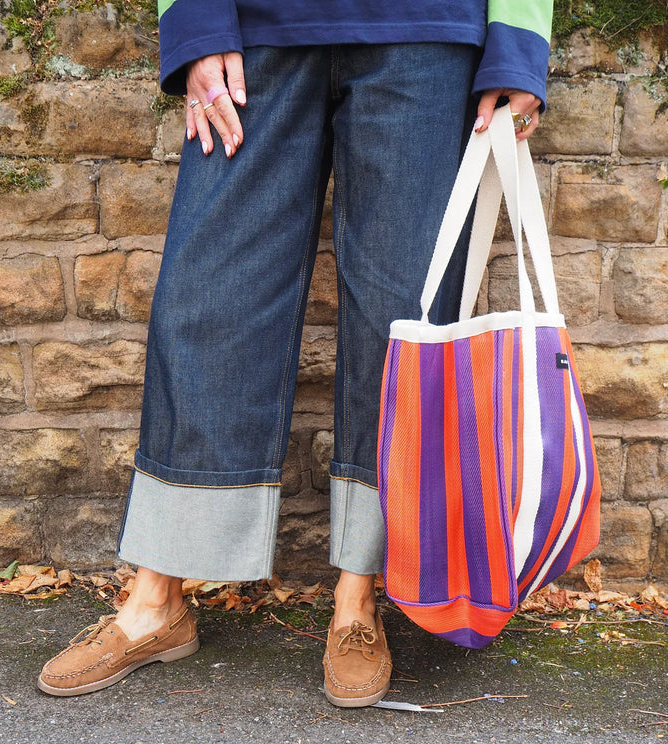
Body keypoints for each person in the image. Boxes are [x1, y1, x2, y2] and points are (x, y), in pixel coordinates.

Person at [38, 1, 553, 706]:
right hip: (254, 28)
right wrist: (196, 22)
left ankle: (358, 599)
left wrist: (519, 41)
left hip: (427, 32)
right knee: (208, 299)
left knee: (402, 318)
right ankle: (156, 597)